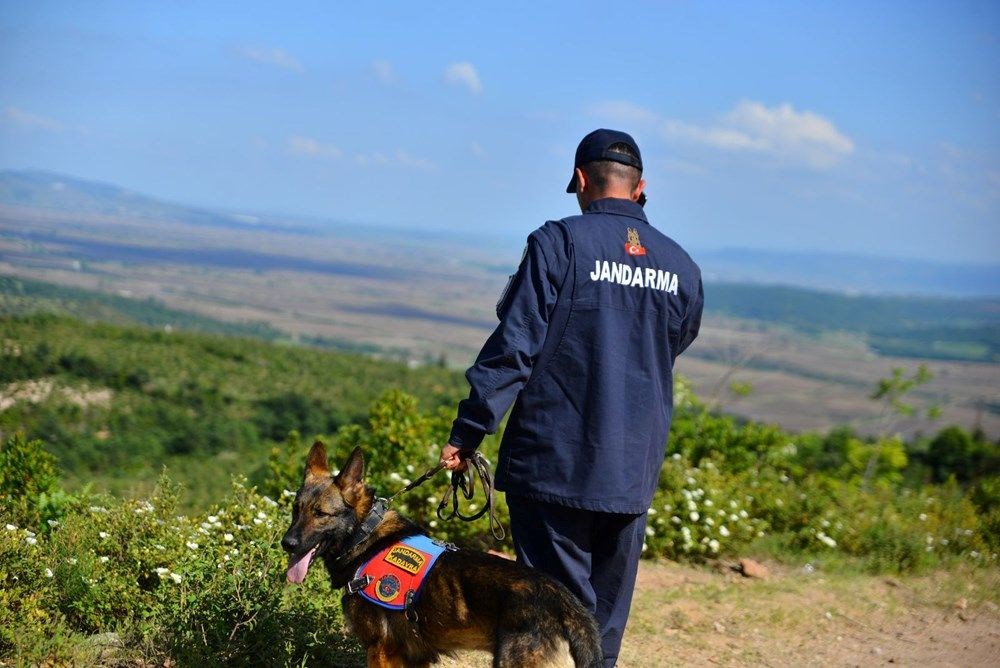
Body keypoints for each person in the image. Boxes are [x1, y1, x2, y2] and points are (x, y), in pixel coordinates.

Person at [440, 128, 703, 667]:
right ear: (640, 187)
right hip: (631, 469)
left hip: (553, 463)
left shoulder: (559, 242)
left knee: (555, 615)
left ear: (581, 180)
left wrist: (469, 431)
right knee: (604, 621)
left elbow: (514, 348)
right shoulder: (682, 267)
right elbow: (673, 342)